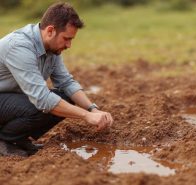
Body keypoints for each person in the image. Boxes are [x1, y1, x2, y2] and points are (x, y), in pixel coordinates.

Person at [0, 2, 113, 156]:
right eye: (66, 39)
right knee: (41, 104)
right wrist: (86, 116)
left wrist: (92, 109)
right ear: (50, 31)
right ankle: (6, 140)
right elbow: (41, 98)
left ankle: (17, 138)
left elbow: (66, 83)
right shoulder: (19, 47)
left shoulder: (51, 49)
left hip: (9, 98)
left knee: (65, 97)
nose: (69, 45)